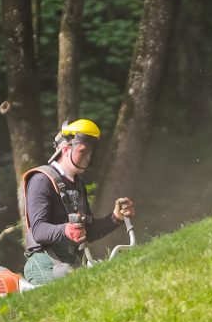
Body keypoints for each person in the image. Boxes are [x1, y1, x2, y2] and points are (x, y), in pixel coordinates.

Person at [20, 119, 135, 285]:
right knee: (78, 283)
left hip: (69, 263)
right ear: (66, 149)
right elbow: (38, 230)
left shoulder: (78, 184)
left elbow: (90, 231)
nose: (88, 157)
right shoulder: (41, 180)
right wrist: (66, 230)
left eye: (90, 152)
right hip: (44, 263)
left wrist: (116, 218)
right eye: (83, 151)